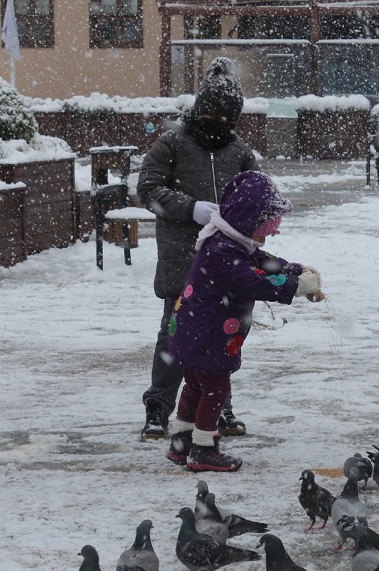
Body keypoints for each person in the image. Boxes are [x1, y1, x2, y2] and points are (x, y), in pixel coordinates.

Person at [166, 170, 323, 472]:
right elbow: (254, 282)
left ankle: (181, 443)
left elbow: (262, 261)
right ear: (248, 222)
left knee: (196, 386)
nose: (273, 232)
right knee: (215, 389)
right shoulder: (222, 251)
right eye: (267, 226)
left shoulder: (230, 241)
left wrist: (295, 269)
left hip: (193, 331)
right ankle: (203, 448)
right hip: (207, 334)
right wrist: (295, 286)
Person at [137, 57, 258, 441]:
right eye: (213, 118)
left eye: (228, 121)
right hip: (182, 257)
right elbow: (148, 188)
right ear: (199, 111)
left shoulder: (238, 149)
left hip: (225, 260)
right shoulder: (172, 142)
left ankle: (218, 406)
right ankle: (158, 409)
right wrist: (191, 208)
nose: (219, 127)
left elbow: (256, 194)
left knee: (222, 334)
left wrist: (250, 222)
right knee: (174, 335)